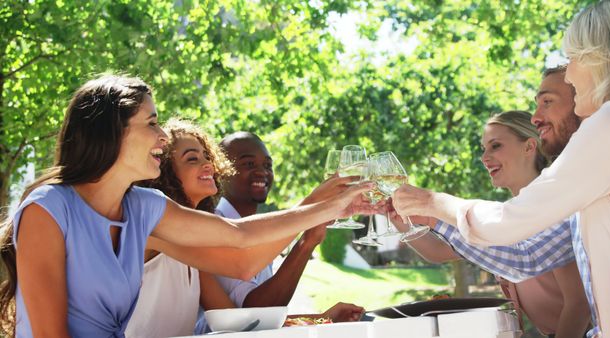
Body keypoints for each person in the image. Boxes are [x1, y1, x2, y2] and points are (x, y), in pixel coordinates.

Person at [0, 74, 374, 337]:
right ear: (113, 133)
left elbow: (239, 241)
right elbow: (50, 334)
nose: (162, 137)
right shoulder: (47, 208)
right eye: (152, 123)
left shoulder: (144, 207)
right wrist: (326, 205)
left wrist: (330, 205)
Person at [392, 1, 610, 336]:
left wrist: (431, 202)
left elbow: (512, 234)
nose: (569, 73)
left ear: (603, 57)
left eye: (573, 58)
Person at [125, 120, 363, 337]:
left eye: (207, 156)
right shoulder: (154, 225)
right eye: (192, 159)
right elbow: (244, 263)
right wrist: (316, 203)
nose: (208, 164)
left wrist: (324, 319)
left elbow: (238, 323)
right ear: (165, 170)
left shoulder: (194, 251)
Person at [392, 111, 590, 337]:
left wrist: (430, 207)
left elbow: (579, 305)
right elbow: (438, 251)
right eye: (483, 149)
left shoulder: (552, 209)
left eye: (495, 146)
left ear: (529, 147)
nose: (484, 157)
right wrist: (401, 221)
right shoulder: (506, 216)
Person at [194, 132, 365, 333]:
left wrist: (322, 318)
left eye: (268, 165)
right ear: (220, 171)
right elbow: (255, 314)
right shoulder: (215, 224)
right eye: (249, 164)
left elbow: (260, 320)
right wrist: (307, 239)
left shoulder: (259, 227)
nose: (262, 172)